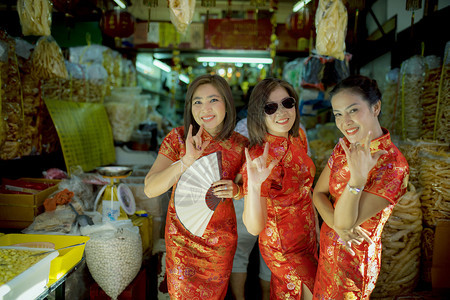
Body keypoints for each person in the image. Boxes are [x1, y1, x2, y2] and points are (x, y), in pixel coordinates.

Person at [144, 74, 248, 299]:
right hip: (182, 239)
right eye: (197, 102)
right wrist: (185, 162)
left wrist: (237, 191)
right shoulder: (179, 138)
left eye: (213, 100)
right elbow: (150, 188)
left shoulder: (241, 145)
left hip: (220, 241)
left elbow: (253, 190)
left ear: (227, 104)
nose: (205, 108)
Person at [312, 75, 409, 299]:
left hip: (354, 265)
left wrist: (357, 180)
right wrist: (336, 227)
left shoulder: (393, 165)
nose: (344, 121)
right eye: (338, 114)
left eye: (352, 110)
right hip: (327, 253)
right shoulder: (345, 146)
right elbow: (318, 193)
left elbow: (347, 221)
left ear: (376, 107)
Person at [242, 78, 318, 299]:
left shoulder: (298, 138)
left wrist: (317, 231)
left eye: (287, 102)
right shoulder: (259, 157)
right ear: (259, 114)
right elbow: (254, 227)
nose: (282, 112)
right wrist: (254, 187)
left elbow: (306, 191)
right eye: (270, 107)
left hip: (308, 239)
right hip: (284, 247)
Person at [230, 117, 271, 300]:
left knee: (240, 254)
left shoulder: (245, 124)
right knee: (270, 258)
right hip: (277, 202)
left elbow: (237, 167)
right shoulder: (296, 127)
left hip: (247, 197)